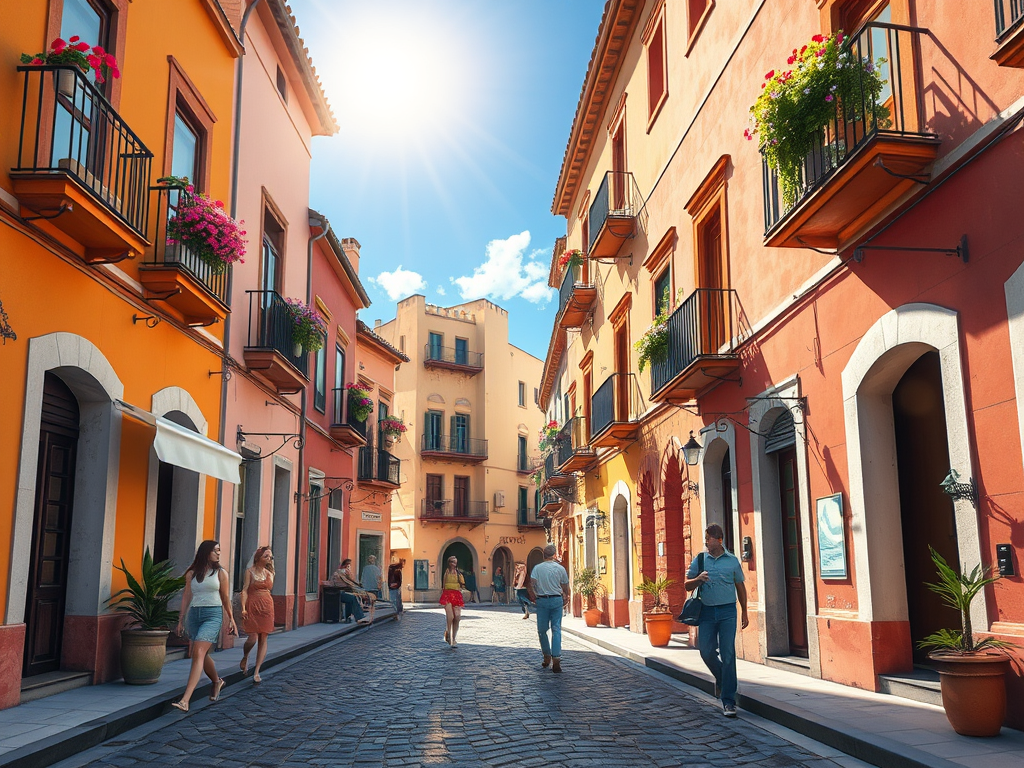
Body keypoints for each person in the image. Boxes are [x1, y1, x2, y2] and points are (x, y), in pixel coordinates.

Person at [684, 524, 749, 718]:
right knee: (706, 651)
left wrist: (745, 612)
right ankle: (723, 679)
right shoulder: (700, 559)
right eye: (705, 539)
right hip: (706, 612)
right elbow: (687, 585)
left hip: (728, 611)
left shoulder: (732, 561)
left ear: (719, 540)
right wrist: (698, 579)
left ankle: (728, 701)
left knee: (728, 653)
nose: (706, 542)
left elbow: (740, 587)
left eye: (708, 539)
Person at [171, 540, 237, 712]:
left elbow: (225, 598)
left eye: (219, 550)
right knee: (200, 653)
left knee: (198, 652)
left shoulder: (221, 573)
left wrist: (231, 619)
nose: (218, 553)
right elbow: (186, 596)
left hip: (213, 615)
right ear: (206, 552)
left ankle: (185, 700)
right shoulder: (191, 573)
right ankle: (217, 681)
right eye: (215, 550)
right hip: (194, 615)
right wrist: (181, 620)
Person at [530, 545, 570, 673]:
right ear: (554, 555)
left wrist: (535, 595)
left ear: (544, 555)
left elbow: (532, 584)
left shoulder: (537, 568)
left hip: (542, 600)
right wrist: (566, 596)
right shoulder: (560, 568)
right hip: (556, 599)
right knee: (556, 629)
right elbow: (565, 585)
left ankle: (546, 656)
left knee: (542, 630)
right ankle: (556, 658)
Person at [239, 546, 274, 684]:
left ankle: (257, 671)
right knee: (252, 638)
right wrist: (243, 608)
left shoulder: (270, 573)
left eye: (270, 556)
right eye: (266, 556)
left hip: (267, 607)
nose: (269, 559)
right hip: (253, 605)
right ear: (258, 558)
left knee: (263, 637)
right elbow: (245, 590)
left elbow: (269, 589)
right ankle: (245, 656)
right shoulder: (249, 572)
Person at [331, 559, 373, 625]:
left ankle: (350, 616)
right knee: (353, 598)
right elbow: (345, 583)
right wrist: (349, 576)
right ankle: (359, 616)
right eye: (348, 566)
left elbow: (351, 583)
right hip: (338, 593)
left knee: (352, 597)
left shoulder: (343, 574)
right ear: (344, 566)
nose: (349, 568)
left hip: (343, 592)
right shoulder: (339, 573)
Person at [438, 555, 465, 648]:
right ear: (449, 563)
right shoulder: (446, 572)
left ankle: (454, 638)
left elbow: (463, 583)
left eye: (455, 562)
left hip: (456, 594)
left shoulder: (458, 573)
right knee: (450, 616)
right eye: (452, 562)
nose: (454, 564)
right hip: (447, 594)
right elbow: (443, 584)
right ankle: (448, 633)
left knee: (457, 617)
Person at [387, 556, 405, 620]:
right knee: (396, 600)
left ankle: (397, 612)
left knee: (395, 600)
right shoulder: (397, 570)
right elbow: (399, 580)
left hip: (392, 586)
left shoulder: (391, 568)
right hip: (395, 587)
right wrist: (398, 585)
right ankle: (397, 612)